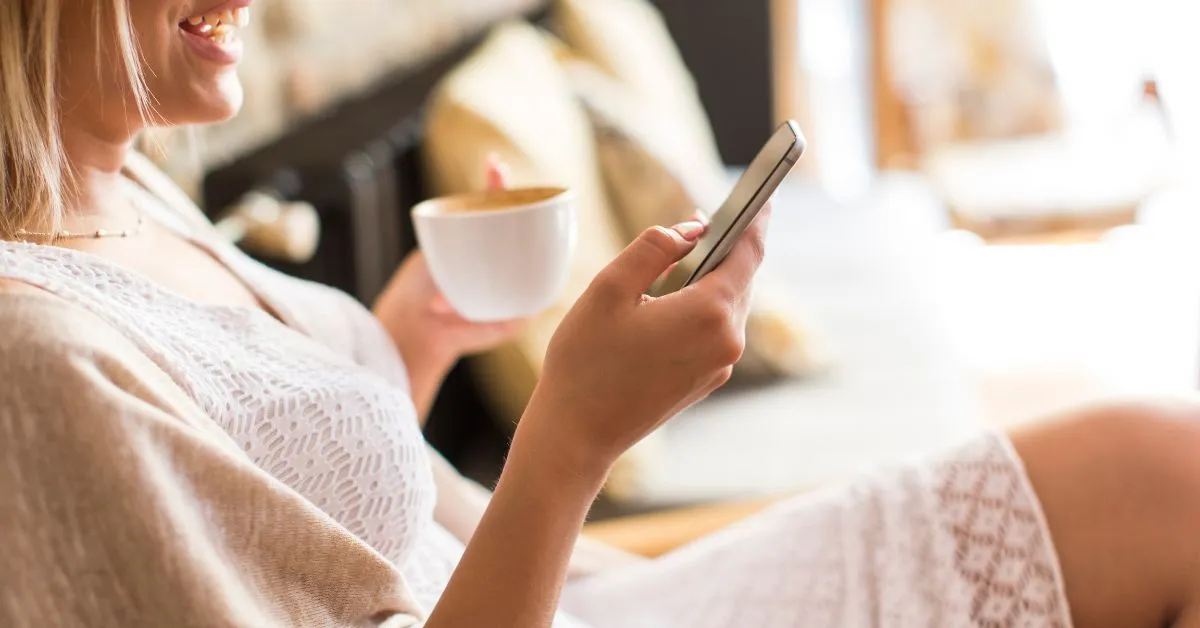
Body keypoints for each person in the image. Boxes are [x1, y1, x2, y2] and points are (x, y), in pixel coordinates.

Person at [2, 2, 1200, 627]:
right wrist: (569, 440)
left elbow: (290, 522)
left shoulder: (120, 177)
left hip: (598, 599)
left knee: (1168, 468)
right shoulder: (32, 365)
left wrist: (414, 332)